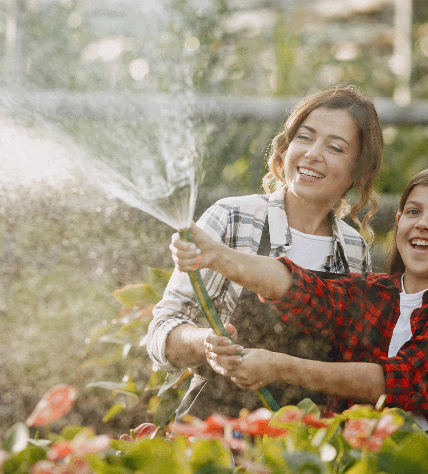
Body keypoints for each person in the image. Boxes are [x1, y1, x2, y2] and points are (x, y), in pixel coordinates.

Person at [171, 166, 428, 428]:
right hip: (355, 472)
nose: (423, 224)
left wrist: (280, 367)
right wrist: (216, 255)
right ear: (398, 222)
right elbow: (299, 288)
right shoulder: (375, 293)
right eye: (413, 212)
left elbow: (397, 381)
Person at [145, 85, 384, 419]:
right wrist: (205, 342)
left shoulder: (353, 250)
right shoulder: (232, 218)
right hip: (218, 432)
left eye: (335, 147)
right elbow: (162, 333)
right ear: (286, 147)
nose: (313, 153)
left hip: (308, 440)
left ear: (358, 169)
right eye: (305, 137)